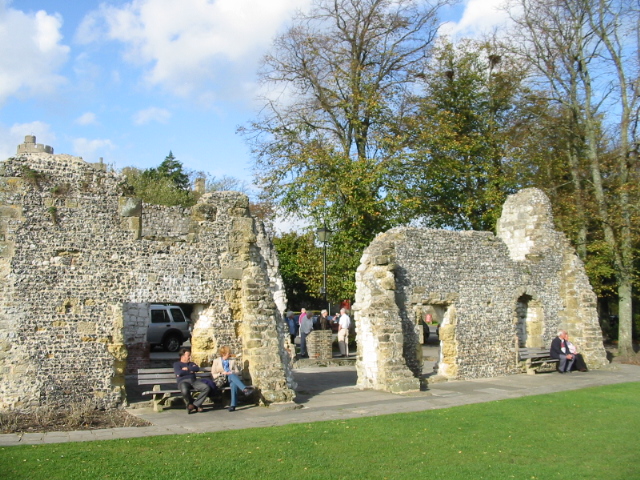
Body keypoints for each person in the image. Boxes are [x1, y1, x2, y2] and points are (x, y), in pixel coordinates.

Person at [211, 346, 253, 412]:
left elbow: (237, 372)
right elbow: (213, 374)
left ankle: (233, 405)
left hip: (230, 379)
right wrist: (222, 373)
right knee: (232, 379)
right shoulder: (216, 361)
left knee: (233, 382)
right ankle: (244, 389)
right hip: (221, 381)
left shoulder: (232, 361)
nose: (229, 354)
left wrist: (231, 372)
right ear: (223, 353)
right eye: (228, 353)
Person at [173, 348, 211, 414]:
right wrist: (190, 371)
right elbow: (179, 373)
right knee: (184, 390)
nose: (190, 357)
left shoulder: (191, 363)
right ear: (182, 356)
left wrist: (187, 369)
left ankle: (194, 405)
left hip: (193, 381)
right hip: (183, 382)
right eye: (188, 355)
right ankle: (192, 403)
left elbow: (196, 368)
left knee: (206, 387)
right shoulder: (177, 364)